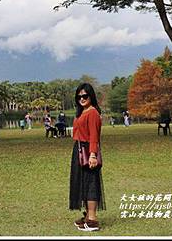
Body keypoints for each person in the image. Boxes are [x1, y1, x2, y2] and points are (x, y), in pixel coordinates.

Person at [70, 83, 105, 232]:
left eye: (85, 96)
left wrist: (92, 155)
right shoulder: (82, 112)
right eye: (79, 96)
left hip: (87, 151)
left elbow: (94, 137)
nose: (82, 99)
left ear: (91, 96)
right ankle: (87, 216)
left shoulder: (92, 113)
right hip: (78, 151)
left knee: (91, 184)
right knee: (83, 183)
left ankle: (92, 219)